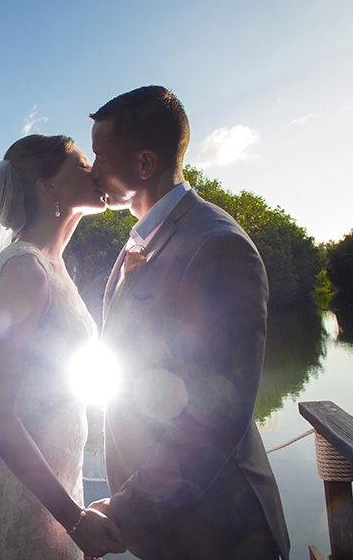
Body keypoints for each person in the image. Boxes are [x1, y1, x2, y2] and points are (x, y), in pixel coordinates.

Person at [87, 86, 291, 559]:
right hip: (166, 524)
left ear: (143, 163)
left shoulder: (217, 245)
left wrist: (124, 510)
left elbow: (213, 420)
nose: (91, 169)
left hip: (221, 532)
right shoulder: (139, 241)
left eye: (100, 155)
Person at [0, 134, 126, 560]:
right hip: (24, 494)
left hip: (57, 479)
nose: (95, 171)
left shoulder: (53, 264)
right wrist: (75, 520)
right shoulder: (23, 271)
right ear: (48, 187)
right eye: (82, 164)